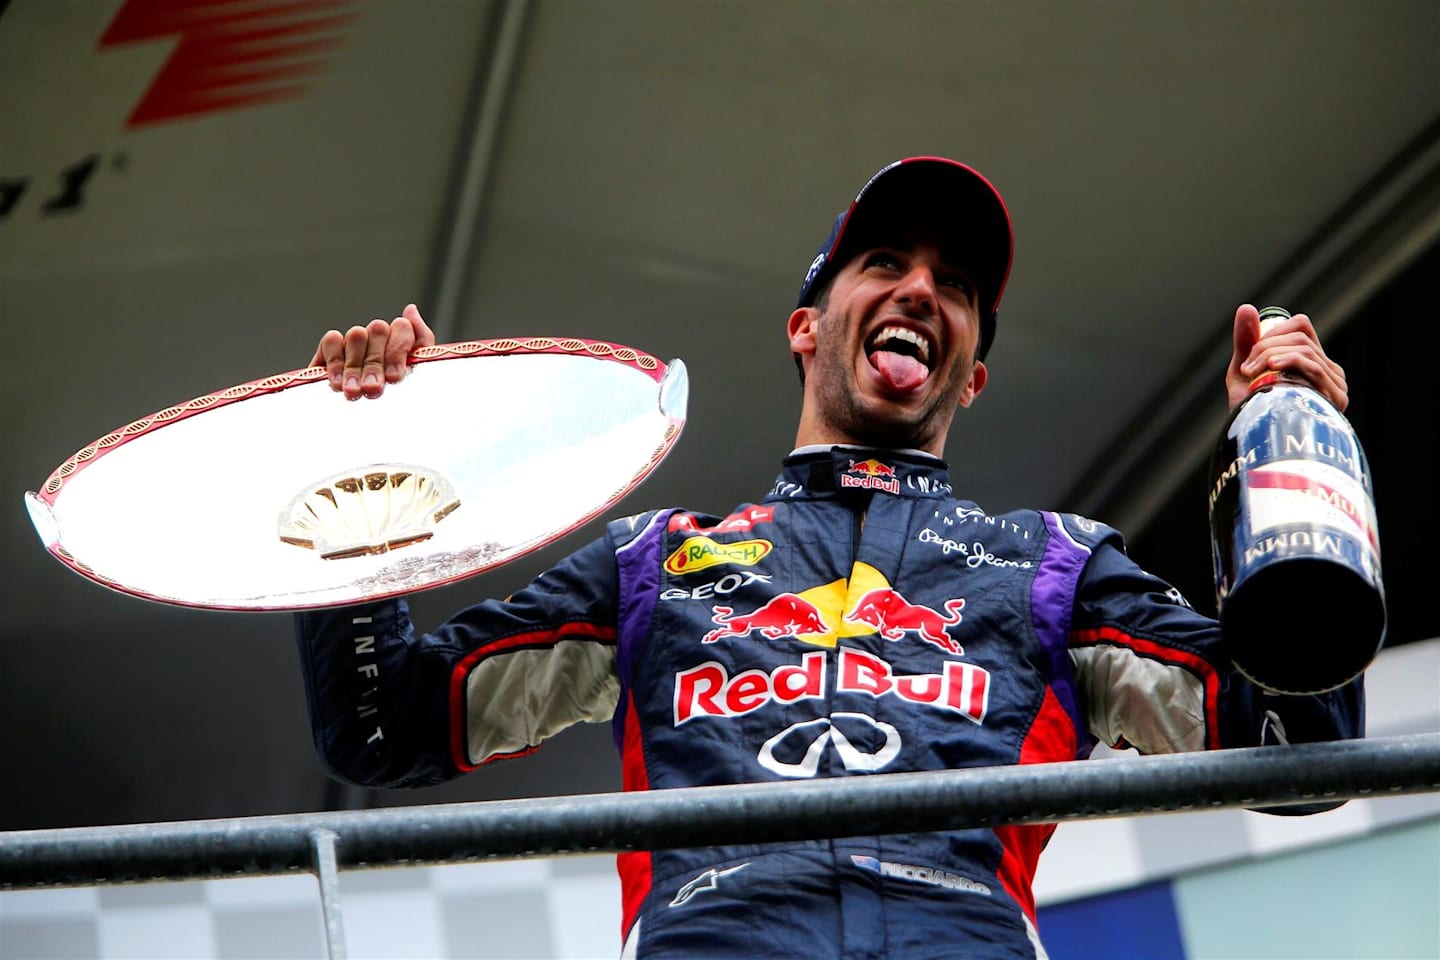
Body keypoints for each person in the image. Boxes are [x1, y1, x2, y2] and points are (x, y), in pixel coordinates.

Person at [295, 156, 1363, 959]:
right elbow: (385, 723)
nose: (919, 290)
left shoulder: (1051, 567)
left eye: (954, 287)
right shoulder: (655, 566)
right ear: (807, 327)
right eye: (886, 262)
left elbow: (1302, 741)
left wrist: (1277, 461)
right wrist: (368, 457)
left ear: (972, 377)